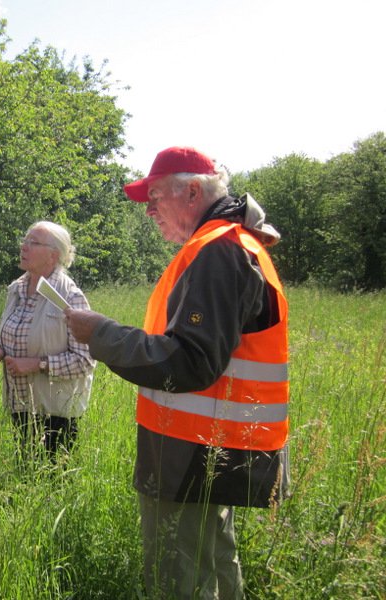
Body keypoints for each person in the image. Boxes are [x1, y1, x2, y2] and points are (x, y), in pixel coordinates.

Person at [64, 147, 289, 599]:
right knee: (215, 564)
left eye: (154, 196)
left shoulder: (218, 251)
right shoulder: (223, 245)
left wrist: (102, 334)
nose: (148, 210)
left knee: (179, 577)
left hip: (194, 453)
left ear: (191, 191)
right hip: (209, 446)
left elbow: (190, 362)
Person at [0, 221, 95, 460]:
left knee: (52, 481)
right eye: (24, 240)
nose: (23, 247)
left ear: (53, 255)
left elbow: (85, 361)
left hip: (56, 410)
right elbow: (11, 333)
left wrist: (37, 364)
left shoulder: (70, 296)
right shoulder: (16, 289)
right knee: (25, 470)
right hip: (20, 402)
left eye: (32, 243)